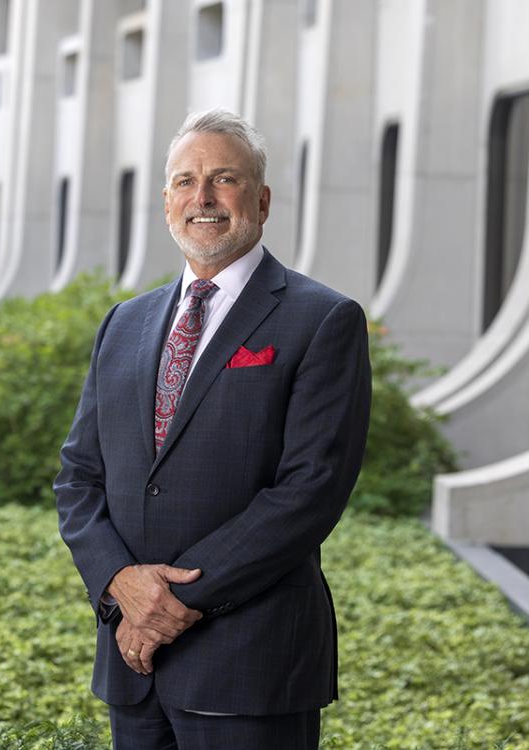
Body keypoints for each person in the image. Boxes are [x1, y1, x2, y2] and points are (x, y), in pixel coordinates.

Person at [54, 109, 372, 750]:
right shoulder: (125, 323)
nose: (201, 198)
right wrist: (122, 585)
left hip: (251, 667)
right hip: (132, 664)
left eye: (223, 179)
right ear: (166, 201)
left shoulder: (323, 319)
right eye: (183, 181)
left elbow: (309, 491)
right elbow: (80, 477)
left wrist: (171, 605)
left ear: (261, 198)